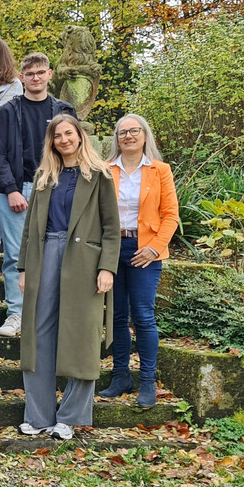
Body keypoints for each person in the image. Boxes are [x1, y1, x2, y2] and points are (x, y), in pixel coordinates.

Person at [17, 114, 119, 440]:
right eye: (57, 135)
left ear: (79, 136)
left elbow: (111, 229)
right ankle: (39, 416)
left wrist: (107, 268)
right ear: (52, 142)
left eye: (68, 133)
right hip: (45, 255)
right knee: (38, 334)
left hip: (85, 261)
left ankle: (70, 417)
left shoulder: (100, 175)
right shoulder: (44, 177)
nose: (63, 139)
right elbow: (30, 230)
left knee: (81, 336)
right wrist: (23, 268)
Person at [0, 54, 75, 338]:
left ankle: (53, 314)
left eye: (41, 72)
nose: (36, 77)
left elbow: (74, 151)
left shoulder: (64, 110)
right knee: (15, 255)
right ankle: (17, 313)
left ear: (50, 74)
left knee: (56, 252)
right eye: (30, 73)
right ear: (21, 78)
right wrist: (11, 188)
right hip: (19, 189)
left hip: (56, 188)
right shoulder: (8, 110)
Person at [100, 114, 179, 408]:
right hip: (112, 247)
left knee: (143, 316)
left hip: (145, 250)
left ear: (145, 135)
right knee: (117, 316)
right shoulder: (105, 170)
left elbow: (171, 215)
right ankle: (120, 375)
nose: (129, 136)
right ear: (116, 138)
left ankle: (147, 381)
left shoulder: (160, 170)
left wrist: (155, 248)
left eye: (134, 131)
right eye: (123, 132)